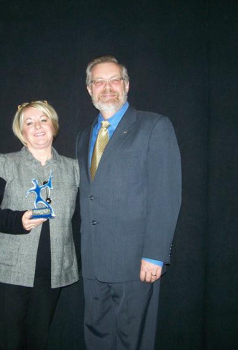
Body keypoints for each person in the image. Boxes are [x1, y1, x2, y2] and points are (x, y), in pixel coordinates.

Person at [75, 55, 181, 350]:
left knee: (132, 341)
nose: (107, 87)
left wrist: (156, 254)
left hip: (136, 262)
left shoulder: (154, 126)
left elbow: (167, 194)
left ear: (126, 85)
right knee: (96, 337)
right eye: (99, 81)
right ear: (89, 89)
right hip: (94, 262)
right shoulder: (84, 136)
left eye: (114, 80)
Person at [0, 100, 80, 350]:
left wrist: (76, 260)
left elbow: (78, 221)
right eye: (29, 123)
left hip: (53, 273)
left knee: (38, 342)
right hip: (9, 271)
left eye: (43, 120)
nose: (38, 127)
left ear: (53, 125)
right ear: (21, 132)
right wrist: (17, 220)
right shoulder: (4, 162)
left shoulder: (74, 168)